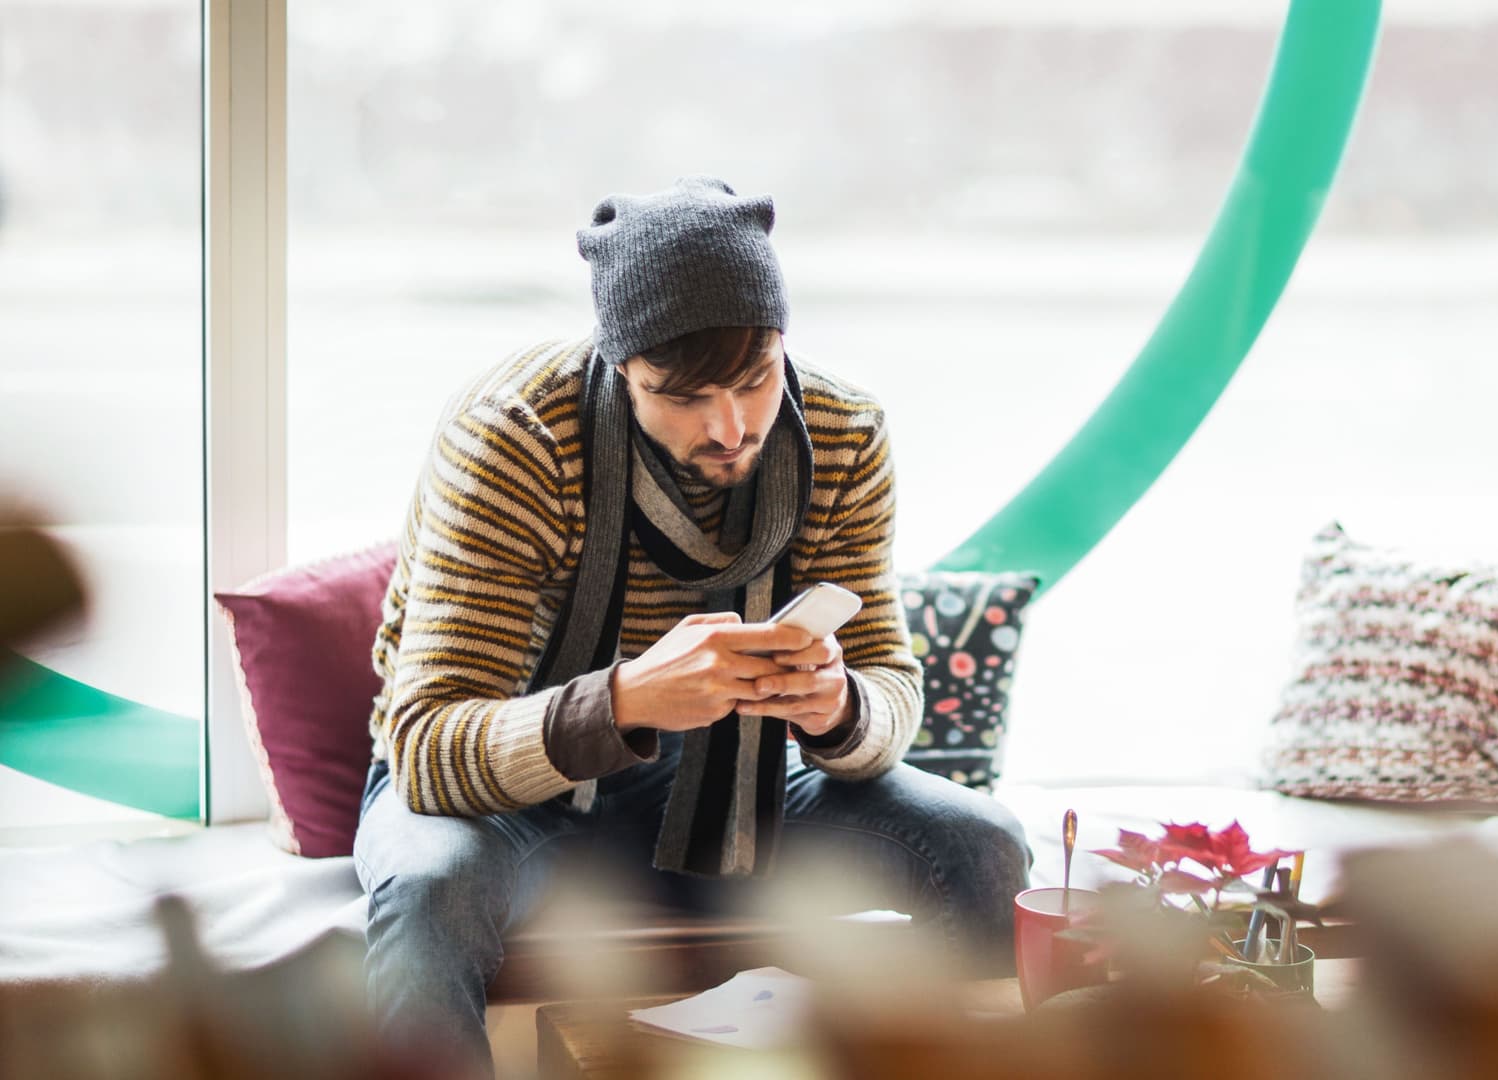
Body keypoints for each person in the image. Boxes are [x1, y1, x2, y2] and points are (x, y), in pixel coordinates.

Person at [352, 176, 1031, 1074]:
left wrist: (837, 708)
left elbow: (893, 697)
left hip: (740, 782)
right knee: (430, 891)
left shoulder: (842, 432)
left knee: (984, 844)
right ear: (620, 366)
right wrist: (627, 699)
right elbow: (429, 752)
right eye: (683, 395)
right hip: (505, 800)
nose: (731, 426)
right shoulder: (517, 438)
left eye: (754, 379)